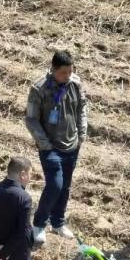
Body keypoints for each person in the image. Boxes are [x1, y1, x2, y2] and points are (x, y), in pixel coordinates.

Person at [25, 50, 87, 244]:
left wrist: (81, 133)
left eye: (70, 71)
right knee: (55, 185)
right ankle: (39, 224)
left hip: (71, 144)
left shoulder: (75, 83)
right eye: (63, 73)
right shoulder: (39, 88)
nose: (67, 76)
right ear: (53, 69)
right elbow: (31, 119)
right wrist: (44, 144)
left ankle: (58, 222)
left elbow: (82, 108)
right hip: (50, 146)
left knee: (65, 186)